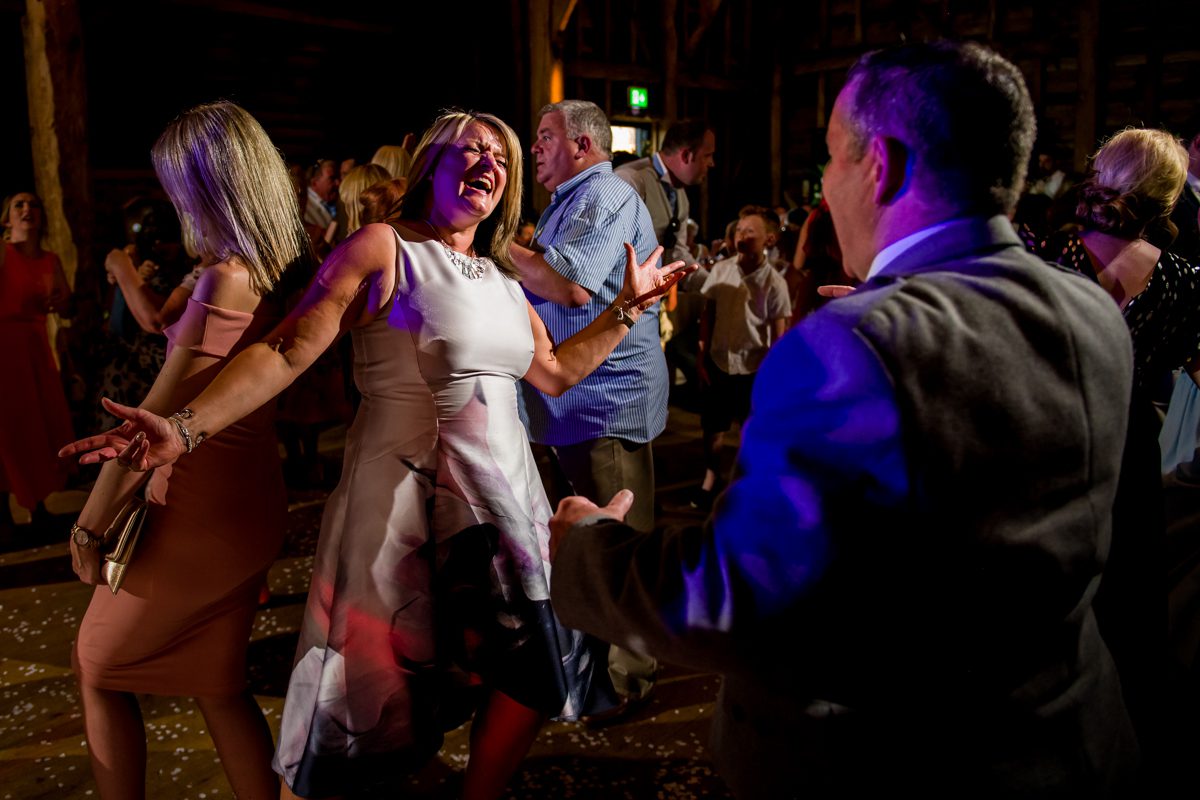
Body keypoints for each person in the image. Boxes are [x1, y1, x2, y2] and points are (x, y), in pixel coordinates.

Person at [546, 40, 1140, 798]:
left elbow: (737, 598)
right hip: (1069, 740)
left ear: (881, 165)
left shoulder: (850, 343)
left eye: (831, 159)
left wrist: (589, 549)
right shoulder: (1092, 311)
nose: (826, 187)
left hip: (888, 758)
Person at [62, 109, 688, 800]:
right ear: (428, 166)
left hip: (506, 505)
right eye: (470, 150)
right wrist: (182, 428)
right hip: (402, 513)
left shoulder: (504, 284)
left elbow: (556, 372)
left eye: (502, 158)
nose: (490, 164)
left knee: (530, 676)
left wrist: (627, 310)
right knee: (370, 704)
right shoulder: (384, 248)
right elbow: (286, 347)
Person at [64, 101, 309, 800]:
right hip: (253, 500)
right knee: (218, 686)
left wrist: (89, 525)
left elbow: (149, 425)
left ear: (206, 188)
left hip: (199, 509)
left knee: (97, 668)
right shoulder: (278, 272)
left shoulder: (224, 279)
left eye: (177, 186)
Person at [1025, 128, 1200, 765]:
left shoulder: (1042, 254)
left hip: (1044, 458)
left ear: (1100, 172)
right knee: (1127, 631)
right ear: (1172, 198)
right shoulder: (1185, 284)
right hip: (1126, 465)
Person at [508, 98, 668, 713]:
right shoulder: (570, 202)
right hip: (577, 400)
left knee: (618, 546)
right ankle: (601, 672)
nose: (536, 146)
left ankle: (626, 685)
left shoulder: (604, 196)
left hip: (606, 404)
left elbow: (567, 285)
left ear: (582, 145)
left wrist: (493, 244)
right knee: (591, 546)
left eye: (545, 135)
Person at [0, 191, 74, 533]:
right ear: (7, 218)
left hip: (36, 347)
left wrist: (62, 302)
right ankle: (5, 509)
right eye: (19, 205)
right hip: (6, 350)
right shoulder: (3, 254)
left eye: (34, 205)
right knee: (9, 429)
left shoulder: (50, 259)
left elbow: (64, 304)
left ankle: (39, 506)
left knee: (38, 426)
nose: (28, 209)